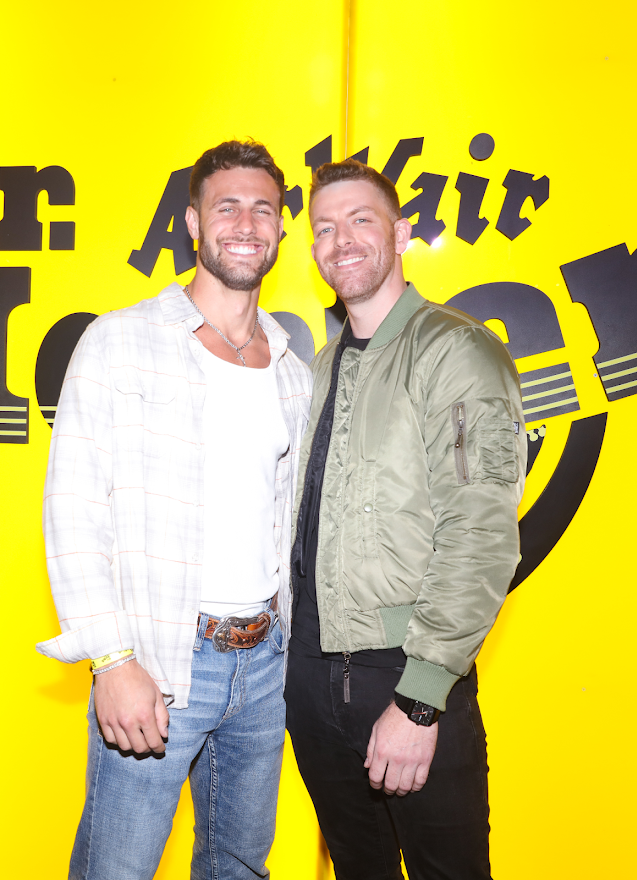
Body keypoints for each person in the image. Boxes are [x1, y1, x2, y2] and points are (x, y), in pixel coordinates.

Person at [36, 139, 312, 880]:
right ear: (193, 223)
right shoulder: (119, 342)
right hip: (158, 660)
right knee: (116, 870)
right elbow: (72, 509)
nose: (246, 224)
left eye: (264, 209)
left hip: (264, 665)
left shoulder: (292, 370)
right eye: (228, 207)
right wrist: (112, 659)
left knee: (240, 868)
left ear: (281, 228)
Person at [286, 159, 527, 880]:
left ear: (401, 233)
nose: (340, 240)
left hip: (405, 673)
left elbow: (480, 533)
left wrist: (420, 699)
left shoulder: (456, 350)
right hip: (311, 678)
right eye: (324, 227)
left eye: (361, 219)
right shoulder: (321, 366)